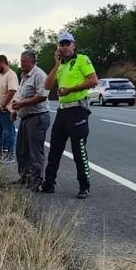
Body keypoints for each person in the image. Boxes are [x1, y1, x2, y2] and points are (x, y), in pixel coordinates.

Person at [41, 32, 98, 199]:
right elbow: (47, 85)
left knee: (78, 150)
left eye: (67, 44)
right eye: (62, 44)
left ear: (74, 45)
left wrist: (71, 89)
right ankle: (49, 183)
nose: (64, 47)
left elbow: (94, 80)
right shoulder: (61, 65)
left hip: (77, 110)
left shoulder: (82, 60)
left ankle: (84, 185)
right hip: (62, 110)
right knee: (55, 149)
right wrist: (56, 64)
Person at [10, 50, 50, 190]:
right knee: (22, 149)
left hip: (37, 117)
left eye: (24, 61)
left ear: (32, 61)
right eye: (21, 61)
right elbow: (20, 95)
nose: (21, 64)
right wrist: (15, 109)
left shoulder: (38, 75)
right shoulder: (24, 76)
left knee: (35, 150)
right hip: (25, 117)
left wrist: (22, 104)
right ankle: (25, 176)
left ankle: (36, 179)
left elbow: (42, 96)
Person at [0, 55, 18, 163]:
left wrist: (4, 105)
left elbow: (12, 91)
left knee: (8, 132)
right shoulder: (0, 76)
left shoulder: (10, 75)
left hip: (5, 110)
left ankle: (10, 155)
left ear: (3, 62)